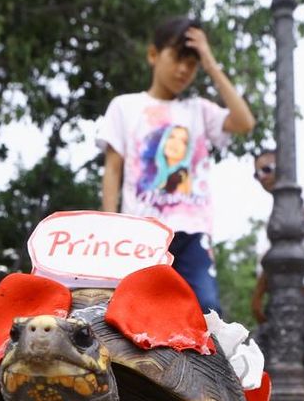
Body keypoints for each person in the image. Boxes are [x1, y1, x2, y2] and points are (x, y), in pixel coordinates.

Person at [98, 16, 255, 313]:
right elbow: (113, 169)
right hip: (142, 233)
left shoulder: (198, 110)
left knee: (206, 309)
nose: (184, 69)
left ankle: (205, 363)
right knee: (137, 311)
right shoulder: (125, 106)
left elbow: (244, 122)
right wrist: (111, 227)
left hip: (192, 233)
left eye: (192, 63)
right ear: (154, 55)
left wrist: (210, 63)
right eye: (177, 58)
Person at [250, 149, 304, 401]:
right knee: (273, 343)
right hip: (282, 288)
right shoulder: (280, 206)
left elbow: (287, 252)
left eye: (267, 169)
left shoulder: (299, 202)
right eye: (257, 173)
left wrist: (258, 293)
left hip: (303, 285)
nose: (262, 177)